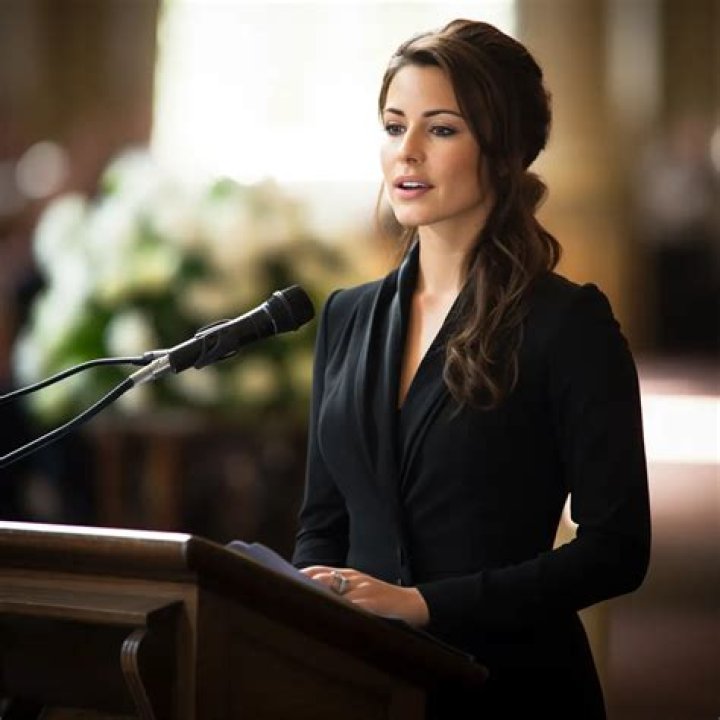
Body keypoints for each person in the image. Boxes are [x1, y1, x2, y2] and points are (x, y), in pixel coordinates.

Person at [292, 18, 651, 718]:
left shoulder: (568, 323)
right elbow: (322, 522)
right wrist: (314, 596)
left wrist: (423, 604)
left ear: (503, 149)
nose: (408, 151)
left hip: (511, 687)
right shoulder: (345, 316)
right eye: (394, 127)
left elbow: (618, 549)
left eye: (441, 129)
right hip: (365, 687)